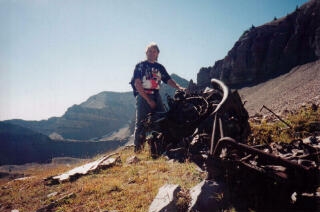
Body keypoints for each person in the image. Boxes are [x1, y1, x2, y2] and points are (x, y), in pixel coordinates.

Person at [132, 42, 184, 152]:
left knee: (164, 119)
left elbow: (168, 80)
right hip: (143, 96)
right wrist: (148, 99)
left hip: (156, 95)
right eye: (149, 51)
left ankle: (163, 146)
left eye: (154, 51)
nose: (151, 53)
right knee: (141, 122)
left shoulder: (159, 67)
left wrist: (179, 87)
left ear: (157, 54)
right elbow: (137, 84)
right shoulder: (140, 66)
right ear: (146, 53)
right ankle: (138, 150)